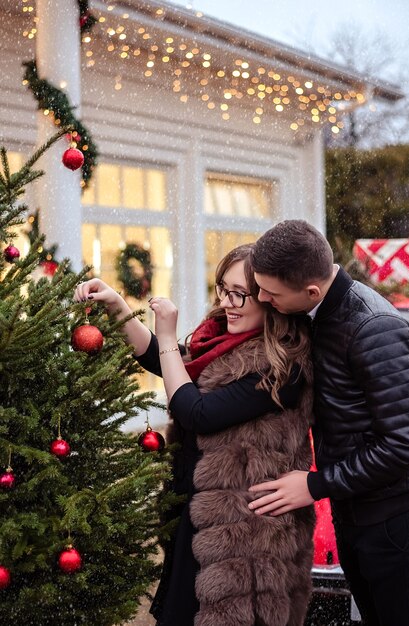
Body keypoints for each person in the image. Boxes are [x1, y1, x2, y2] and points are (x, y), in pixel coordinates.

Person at [74, 243, 315, 626]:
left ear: (269, 299)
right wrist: (119, 308)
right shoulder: (221, 340)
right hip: (197, 515)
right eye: (223, 288)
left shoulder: (281, 366)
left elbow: (195, 411)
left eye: (240, 294)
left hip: (240, 538)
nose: (229, 303)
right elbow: (167, 362)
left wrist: (167, 334)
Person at [247, 219, 409, 626]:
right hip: (356, 512)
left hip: (392, 523)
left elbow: (402, 446)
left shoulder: (375, 329)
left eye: (271, 292)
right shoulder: (317, 312)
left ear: (311, 291)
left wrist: (316, 484)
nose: (262, 298)